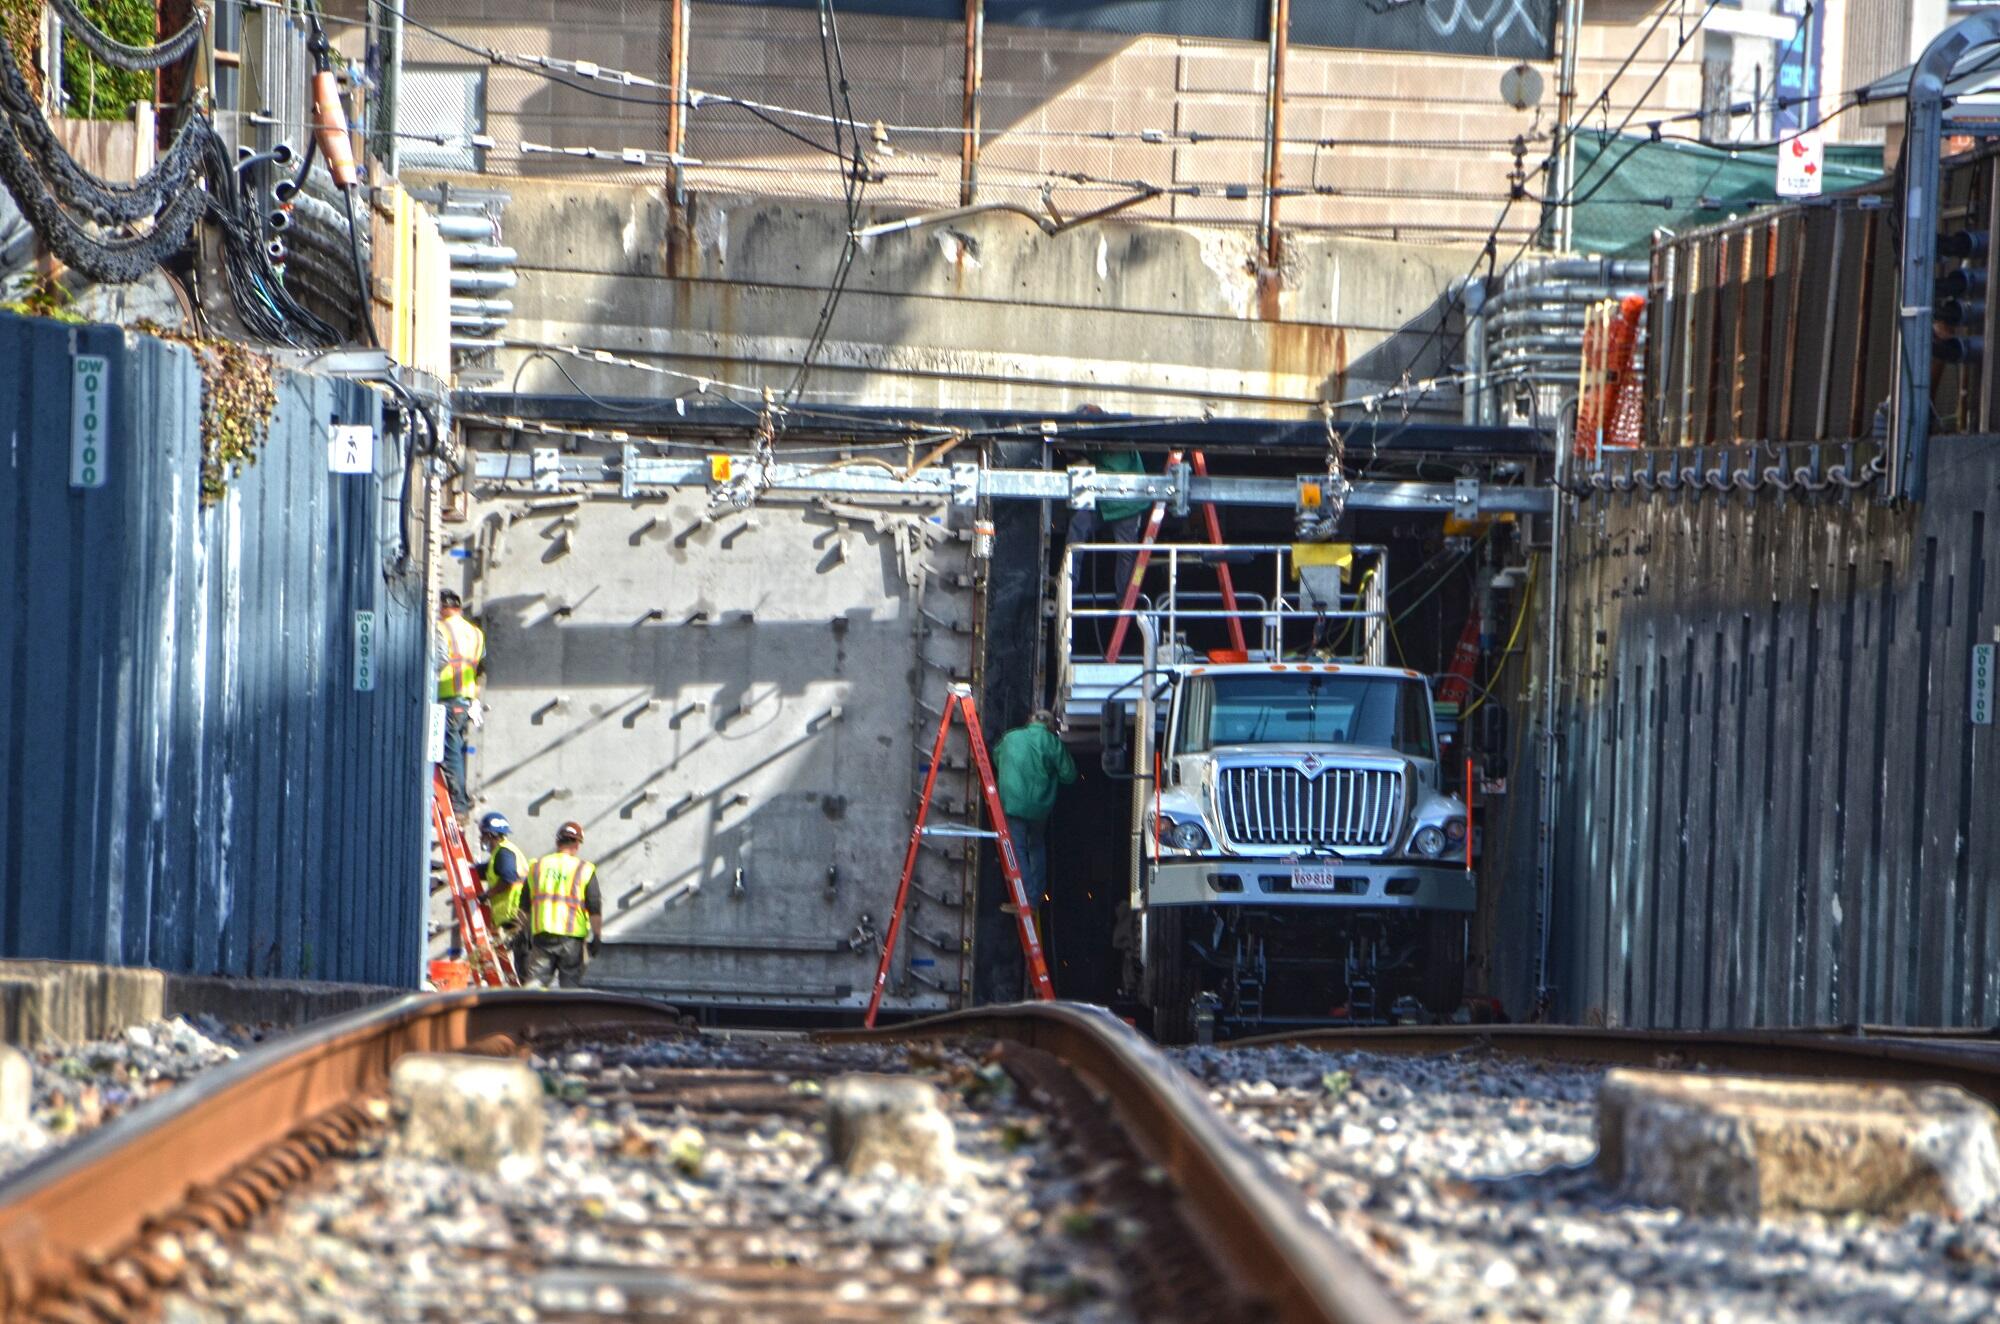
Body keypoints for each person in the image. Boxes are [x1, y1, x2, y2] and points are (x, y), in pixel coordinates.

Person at [993, 709, 1078, 912]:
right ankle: (1035, 896)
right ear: (1050, 726)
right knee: (1036, 846)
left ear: (1029, 720)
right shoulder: (1053, 743)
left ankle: (1027, 901)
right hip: (1040, 807)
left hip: (1013, 802)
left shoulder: (1011, 737)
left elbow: (997, 760)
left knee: (1018, 848)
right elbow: (1070, 775)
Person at [1066, 447, 1150, 601]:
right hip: (1101, 499)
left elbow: (1110, 468)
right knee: (1077, 527)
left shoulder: (1122, 446)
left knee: (1127, 550)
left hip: (1127, 502)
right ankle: (1068, 588)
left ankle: (1125, 601)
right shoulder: (1094, 443)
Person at [525, 820, 602, 988]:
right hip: (572, 940)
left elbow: (524, 906)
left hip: (542, 936)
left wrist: (522, 935)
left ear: (557, 842)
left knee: (535, 985)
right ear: (577, 844)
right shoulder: (585, 869)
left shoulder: (537, 867)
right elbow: (594, 906)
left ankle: (532, 1013)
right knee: (570, 986)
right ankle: (567, 1015)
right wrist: (597, 936)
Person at [434, 590, 487, 817]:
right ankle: (461, 800)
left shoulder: (442, 629)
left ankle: (458, 804)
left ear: (444, 607)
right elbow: (481, 666)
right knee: (455, 748)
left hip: (448, 696)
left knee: (450, 752)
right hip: (466, 699)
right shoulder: (476, 633)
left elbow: (438, 660)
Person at [476, 812, 528, 976]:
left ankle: (528, 999)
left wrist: (486, 895)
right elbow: (489, 871)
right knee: (521, 965)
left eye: (483, 835)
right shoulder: (501, 853)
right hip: (513, 917)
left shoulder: (504, 853)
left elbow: (508, 878)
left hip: (515, 916)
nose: (481, 839)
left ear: (490, 834)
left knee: (524, 968)